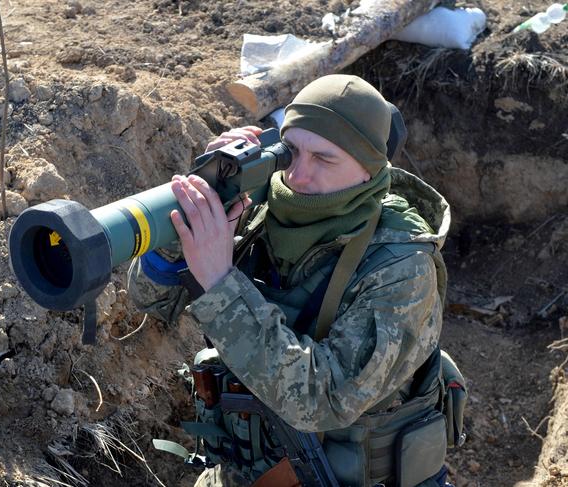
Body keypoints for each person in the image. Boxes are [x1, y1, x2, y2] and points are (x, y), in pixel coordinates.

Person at [127, 74, 462, 487]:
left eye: (324, 159)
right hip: (247, 472)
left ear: (369, 168)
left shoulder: (402, 266)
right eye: (292, 152)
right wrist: (192, 215)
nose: (299, 176)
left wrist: (220, 282)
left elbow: (324, 399)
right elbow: (152, 302)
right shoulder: (257, 210)